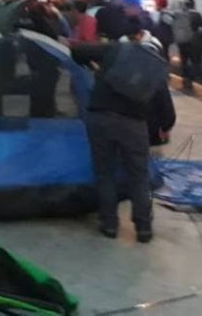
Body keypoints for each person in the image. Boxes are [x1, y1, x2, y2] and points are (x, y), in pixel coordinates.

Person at [72, 18, 172, 243]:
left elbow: (77, 51)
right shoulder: (154, 66)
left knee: (104, 172)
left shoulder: (115, 49)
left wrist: (94, 68)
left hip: (101, 118)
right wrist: (165, 127)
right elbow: (166, 108)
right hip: (134, 125)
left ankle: (109, 224)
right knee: (139, 176)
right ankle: (143, 228)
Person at [174, 0, 202, 93]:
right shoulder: (197, 15)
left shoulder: (180, 14)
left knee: (184, 61)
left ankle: (185, 81)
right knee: (194, 61)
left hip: (182, 42)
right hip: (193, 42)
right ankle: (191, 80)